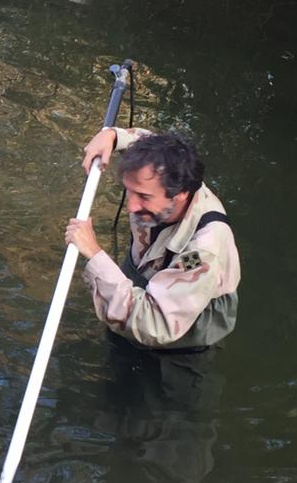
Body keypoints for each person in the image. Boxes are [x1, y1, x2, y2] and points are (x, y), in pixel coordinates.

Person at [65, 127, 240, 354]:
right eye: (129, 191)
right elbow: (150, 142)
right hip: (144, 278)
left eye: (144, 197)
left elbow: (155, 323)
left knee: (152, 386)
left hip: (178, 337)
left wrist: (95, 254)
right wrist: (113, 136)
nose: (131, 206)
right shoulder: (173, 172)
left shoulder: (202, 253)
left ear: (181, 194)